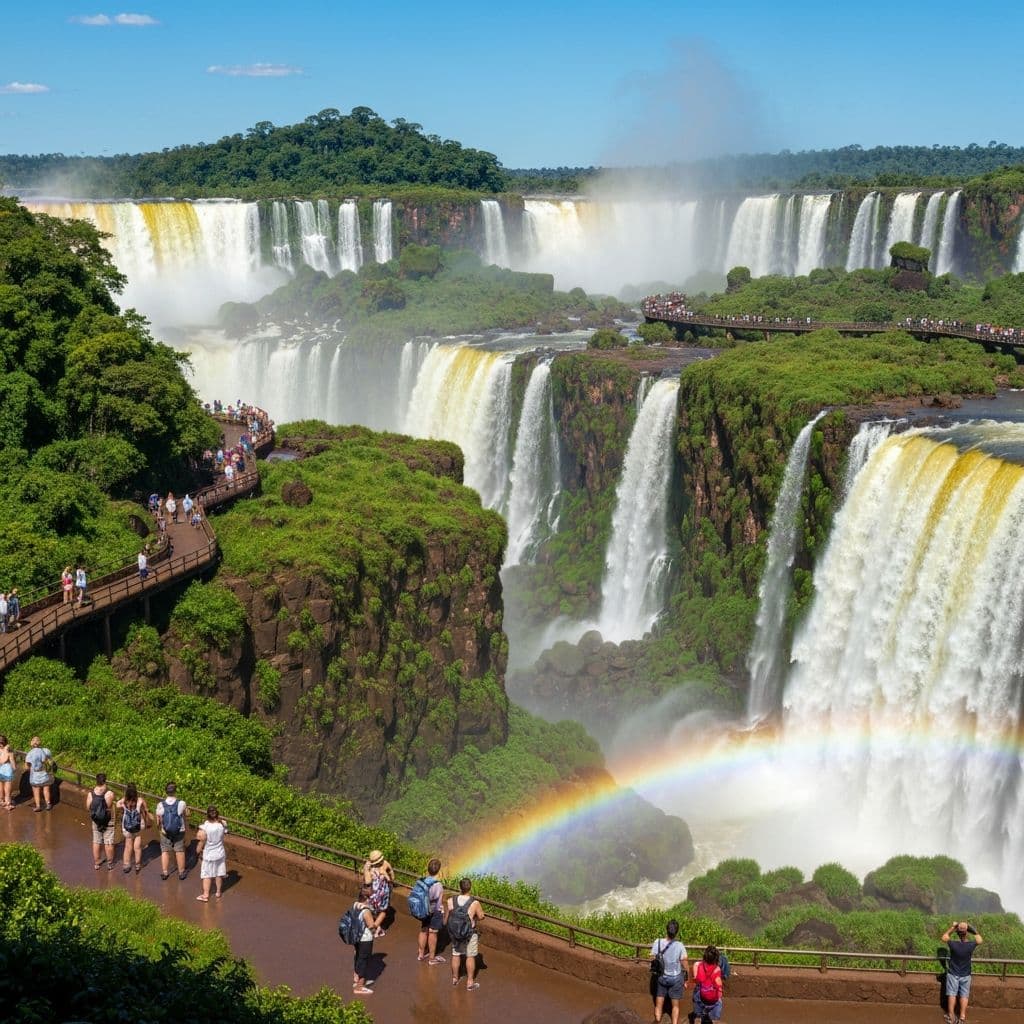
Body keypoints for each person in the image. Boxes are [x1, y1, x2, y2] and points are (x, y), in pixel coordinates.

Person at [445, 877, 486, 990]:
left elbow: (446, 918)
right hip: (469, 933)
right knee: (470, 956)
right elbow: (481, 916)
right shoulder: (474, 903)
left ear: (460, 887)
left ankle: (454, 978)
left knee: (456, 954)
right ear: (470, 888)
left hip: (454, 932)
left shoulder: (450, 900)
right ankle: (470, 982)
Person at [942, 920, 983, 1023]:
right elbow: (979, 940)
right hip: (966, 975)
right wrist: (969, 927)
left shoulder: (953, 944)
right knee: (964, 995)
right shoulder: (971, 945)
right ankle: (962, 1016)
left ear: (958, 933)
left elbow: (944, 937)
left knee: (952, 994)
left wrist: (954, 927)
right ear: (966, 933)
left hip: (953, 973)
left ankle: (951, 1016)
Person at [651, 919, 689, 1024]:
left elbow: (653, 958)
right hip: (676, 978)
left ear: (666, 929)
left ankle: (658, 1020)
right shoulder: (680, 945)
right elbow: (684, 963)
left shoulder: (657, 942)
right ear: (676, 932)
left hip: (661, 977)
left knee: (658, 1005)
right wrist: (686, 978)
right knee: (675, 1006)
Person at [416, 857, 446, 965]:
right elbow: (439, 903)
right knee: (433, 933)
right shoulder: (438, 885)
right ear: (438, 870)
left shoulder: (421, 880)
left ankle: (420, 954)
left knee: (424, 929)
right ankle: (432, 958)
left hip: (422, 909)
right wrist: (441, 912)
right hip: (433, 911)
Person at [156, 782, 188, 881]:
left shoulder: (161, 804)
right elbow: (186, 814)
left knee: (165, 851)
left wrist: (160, 829)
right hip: (179, 830)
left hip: (165, 831)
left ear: (166, 791)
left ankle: (165, 872)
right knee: (179, 851)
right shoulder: (181, 803)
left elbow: (158, 820)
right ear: (175, 791)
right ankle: (181, 872)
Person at [195, 805, 228, 901]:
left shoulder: (205, 826)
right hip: (220, 852)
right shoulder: (222, 824)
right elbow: (225, 831)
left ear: (207, 815)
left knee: (207, 874)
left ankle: (205, 895)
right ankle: (218, 892)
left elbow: (201, 840)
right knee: (219, 873)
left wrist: (198, 850)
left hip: (209, 854)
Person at [350, 883, 377, 996]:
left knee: (358, 956)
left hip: (356, 936)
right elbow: (371, 927)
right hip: (365, 939)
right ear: (366, 898)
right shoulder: (366, 911)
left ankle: (356, 978)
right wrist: (376, 929)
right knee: (364, 960)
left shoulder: (355, 905)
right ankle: (359, 986)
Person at [117, 782, 149, 874]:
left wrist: (123, 805)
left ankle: (126, 864)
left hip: (127, 826)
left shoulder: (124, 801)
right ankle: (137, 865)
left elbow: (117, 805)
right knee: (137, 846)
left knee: (128, 846)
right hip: (139, 826)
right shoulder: (140, 800)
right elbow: (146, 810)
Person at [86, 772, 116, 870]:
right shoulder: (109, 793)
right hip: (108, 821)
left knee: (96, 841)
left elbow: (87, 807)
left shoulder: (90, 794)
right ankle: (110, 863)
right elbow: (108, 806)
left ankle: (97, 862)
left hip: (96, 820)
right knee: (108, 842)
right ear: (105, 781)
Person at [363, 849, 395, 937]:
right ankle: (375, 927)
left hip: (373, 894)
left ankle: (372, 927)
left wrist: (365, 870)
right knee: (383, 911)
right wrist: (387, 874)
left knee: (372, 909)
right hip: (384, 893)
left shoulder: (369, 869)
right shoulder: (386, 864)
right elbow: (392, 877)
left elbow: (367, 882)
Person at [690, 945, 724, 1024]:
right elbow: (719, 985)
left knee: (697, 1018)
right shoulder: (717, 969)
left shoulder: (697, 965)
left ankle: (698, 1016)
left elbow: (696, 980)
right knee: (716, 1015)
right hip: (713, 999)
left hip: (700, 995)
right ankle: (714, 1018)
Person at [24, 736, 54, 811]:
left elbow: (26, 767)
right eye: (34, 740)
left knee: (36, 790)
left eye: (36, 740)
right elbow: (51, 761)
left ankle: (38, 806)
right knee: (46, 789)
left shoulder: (29, 754)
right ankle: (48, 804)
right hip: (44, 773)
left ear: (31, 744)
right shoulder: (46, 751)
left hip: (35, 775)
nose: (35, 741)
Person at [0, 735, 15, 809]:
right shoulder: (9, 750)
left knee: (1, 787)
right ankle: (8, 804)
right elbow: (12, 762)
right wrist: (14, 769)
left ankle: (2, 801)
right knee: (7, 789)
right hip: (7, 771)